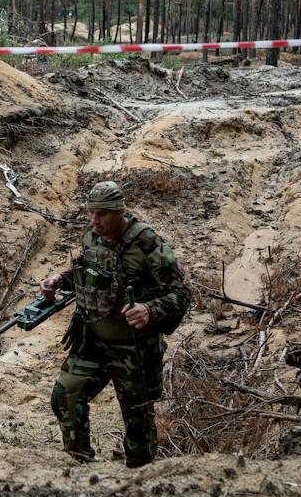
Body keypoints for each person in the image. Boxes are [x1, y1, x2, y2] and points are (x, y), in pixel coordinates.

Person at [39, 181, 191, 468]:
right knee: (65, 397)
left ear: (119, 212)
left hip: (134, 348)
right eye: (91, 213)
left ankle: (139, 476)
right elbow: (89, 274)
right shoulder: (91, 238)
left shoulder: (146, 244)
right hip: (92, 340)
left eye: (102, 214)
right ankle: (80, 465)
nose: (94, 220)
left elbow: (182, 293)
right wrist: (61, 280)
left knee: (137, 422)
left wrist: (149, 309)